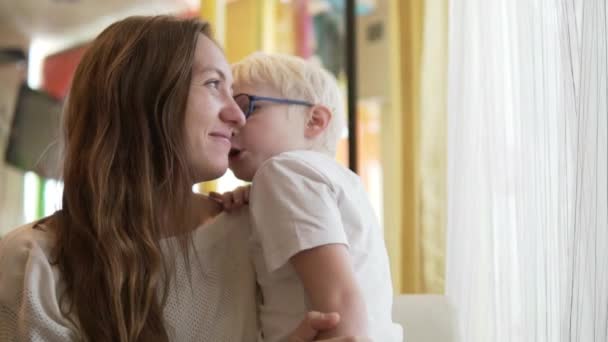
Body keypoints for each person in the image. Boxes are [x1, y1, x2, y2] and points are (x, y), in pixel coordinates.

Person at [0, 16, 367, 342]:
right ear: (139, 98)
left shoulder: (260, 231)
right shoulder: (32, 265)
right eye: (213, 84)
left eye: (237, 96)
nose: (237, 116)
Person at [226, 52, 404, 341]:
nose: (231, 120)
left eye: (246, 106)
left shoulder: (282, 172)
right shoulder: (337, 179)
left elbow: (340, 302)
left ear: (314, 121)